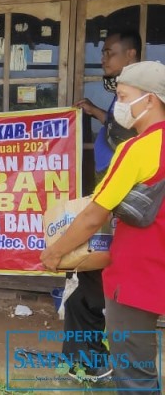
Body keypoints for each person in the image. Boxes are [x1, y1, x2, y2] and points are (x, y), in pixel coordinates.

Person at [41, 60, 165, 393]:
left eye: (124, 97)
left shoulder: (138, 148)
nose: (119, 107)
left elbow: (94, 216)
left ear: (150, 99)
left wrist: (54, 253)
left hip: (138, 273)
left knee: (135, 376)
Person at [61, 30, 141, 381]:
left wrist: (55, 252)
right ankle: (93, 360)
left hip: (116, 202)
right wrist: (96, 111)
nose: (104, 59)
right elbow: (116, 128)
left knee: (88, 284)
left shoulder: (141, 104)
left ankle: (92, 363)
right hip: (111, 198)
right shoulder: (125, 99)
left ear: (131, 56)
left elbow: (125, 139)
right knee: (91, 283)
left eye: (109, 53)